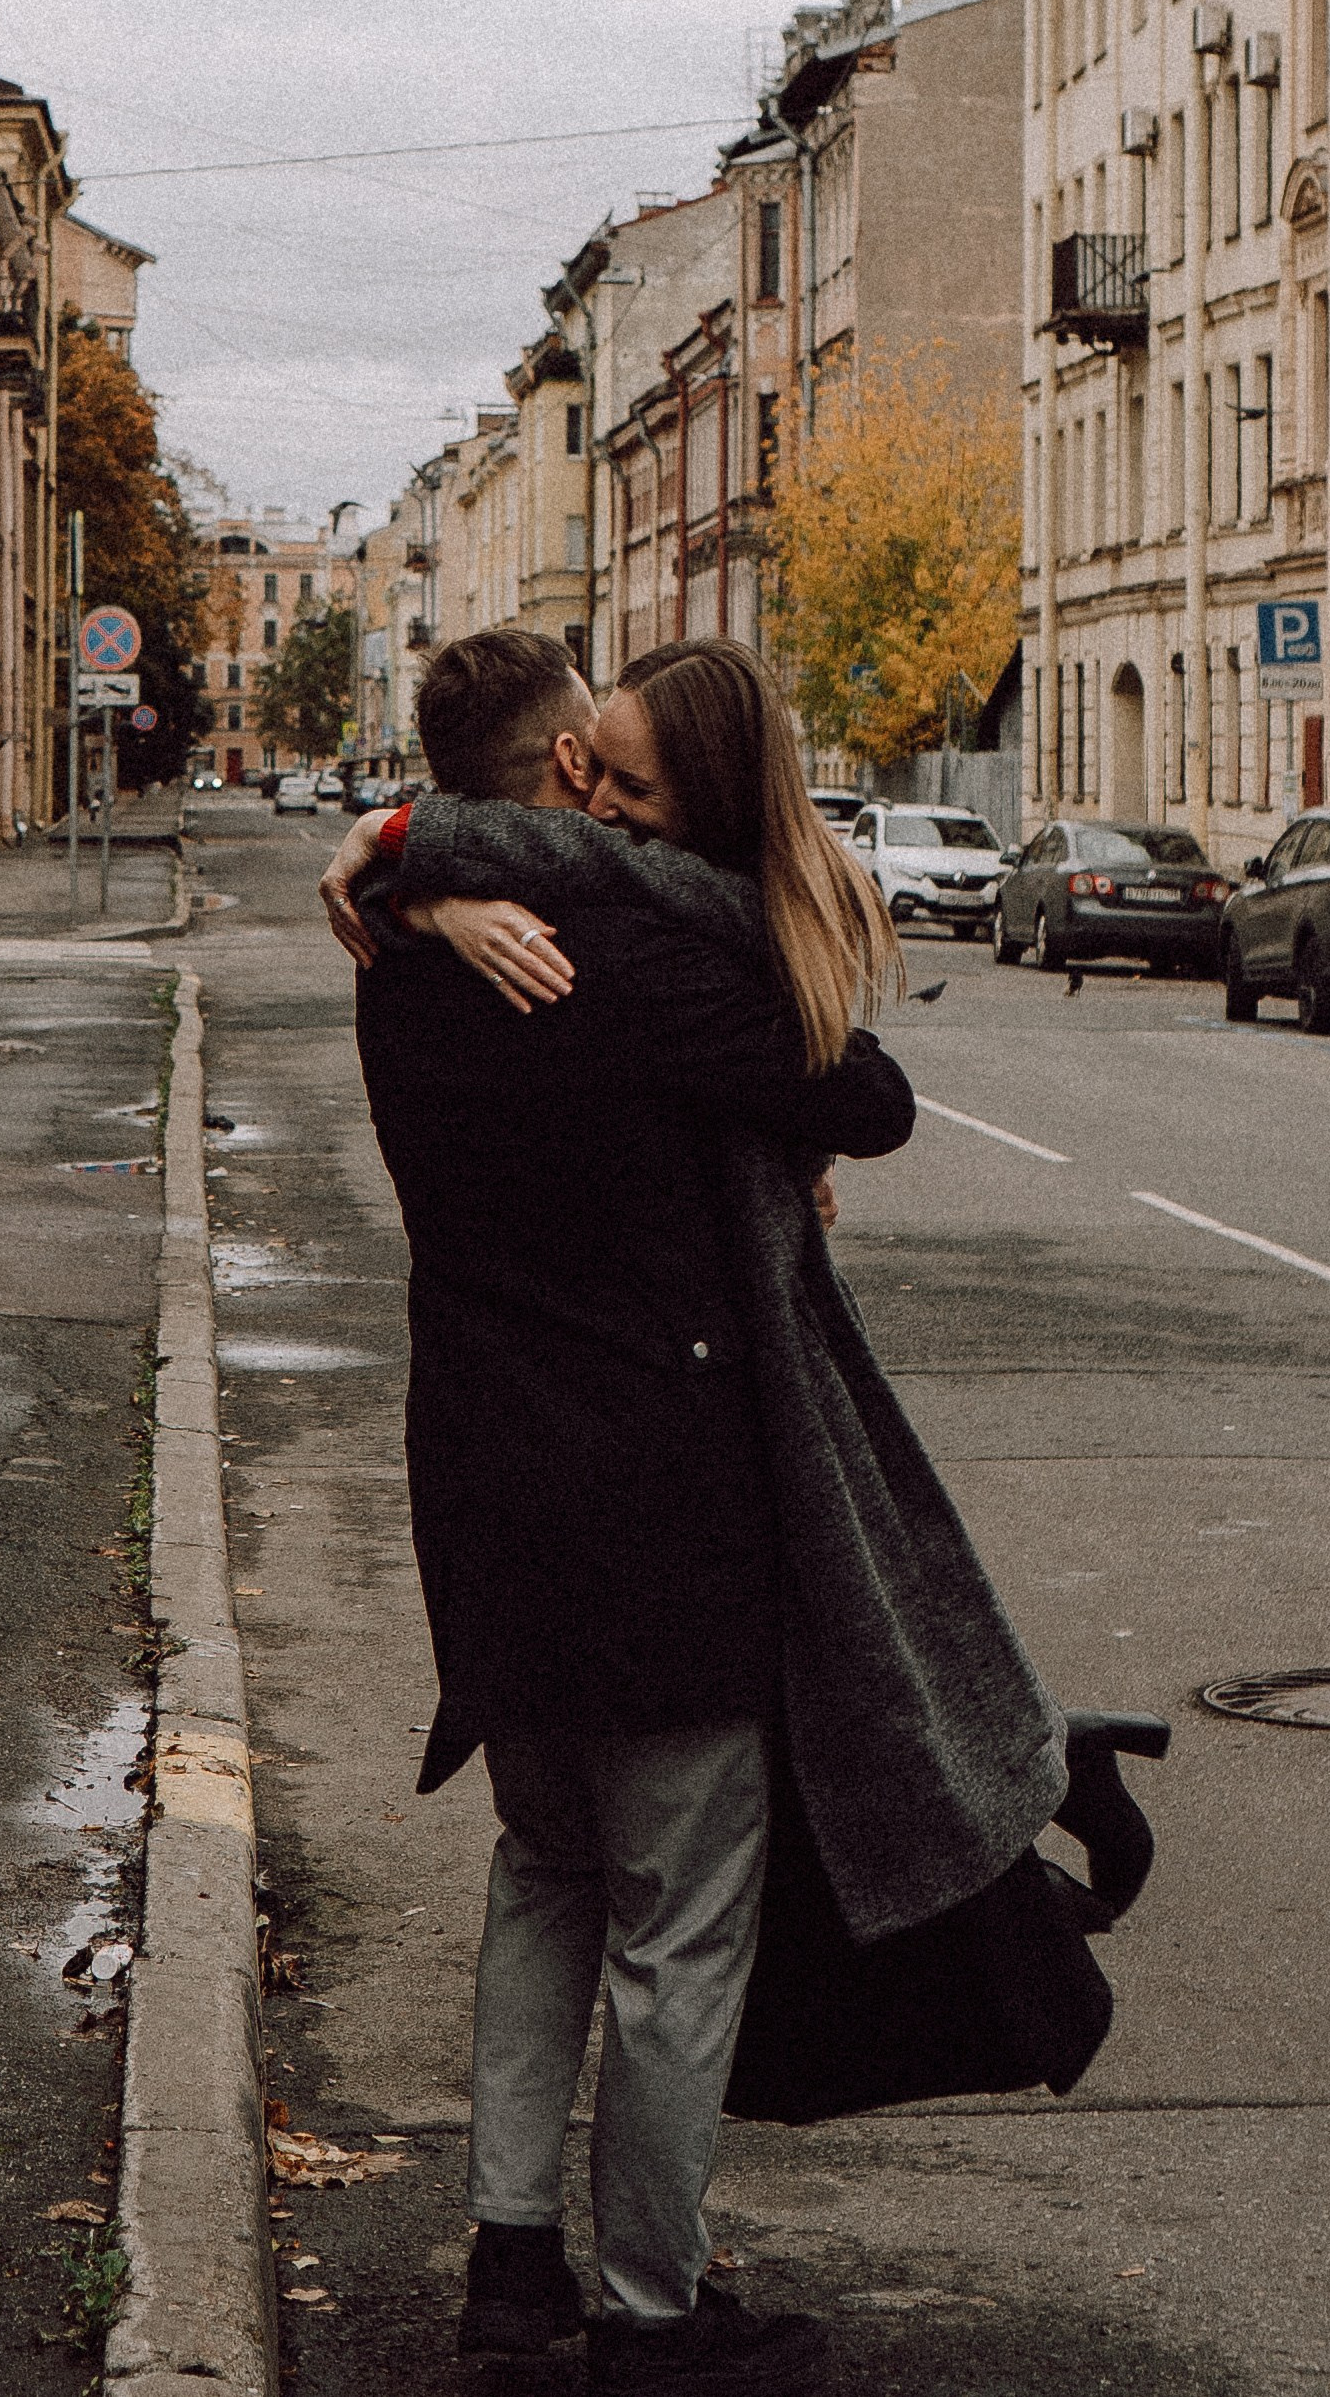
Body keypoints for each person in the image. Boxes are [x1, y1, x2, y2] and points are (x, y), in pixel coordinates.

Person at [329, 628, 919, 2391]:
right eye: (593, 761)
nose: (603, 788)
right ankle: (655, 2311)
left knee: (544, 1870)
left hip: (482, 1486)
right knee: (676, 1922)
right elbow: (865, 1097)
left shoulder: (397, 957)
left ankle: (511, 2269)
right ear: (556, 775)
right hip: (659, 1504)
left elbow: (393, 864)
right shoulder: (641, 963)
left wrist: (399, 873)